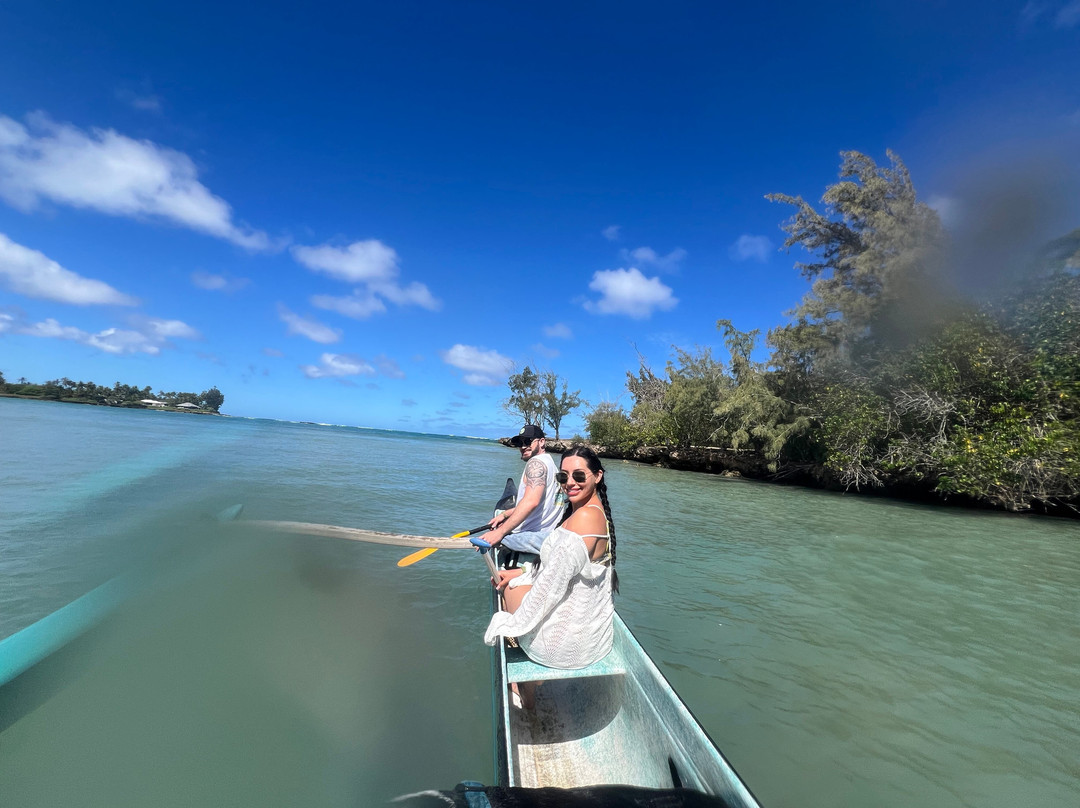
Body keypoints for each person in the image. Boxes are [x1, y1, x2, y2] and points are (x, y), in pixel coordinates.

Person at [483, 445, 619, 670]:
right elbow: (562, 567)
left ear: (598, 476)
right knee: (515, 579)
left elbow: (550, 588)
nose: (570, 483)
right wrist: (523, 571)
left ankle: (524, 691)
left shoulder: (584, 517)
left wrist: (510, 625)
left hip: (562, 648)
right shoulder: (594, 511)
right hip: (592, 642)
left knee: (507, 588)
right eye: (563, 476)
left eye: (578, 475)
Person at [483, 424, 563, 555]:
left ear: (542, 441)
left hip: (530, 538)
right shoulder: (551, 465)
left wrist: (499, 533)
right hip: (548, 535)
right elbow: (538, 503)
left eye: (527, 441)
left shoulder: (535, 463)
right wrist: (504, 514)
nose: (523, 446)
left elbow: (531, 502)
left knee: (486, 539)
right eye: (520, 443)